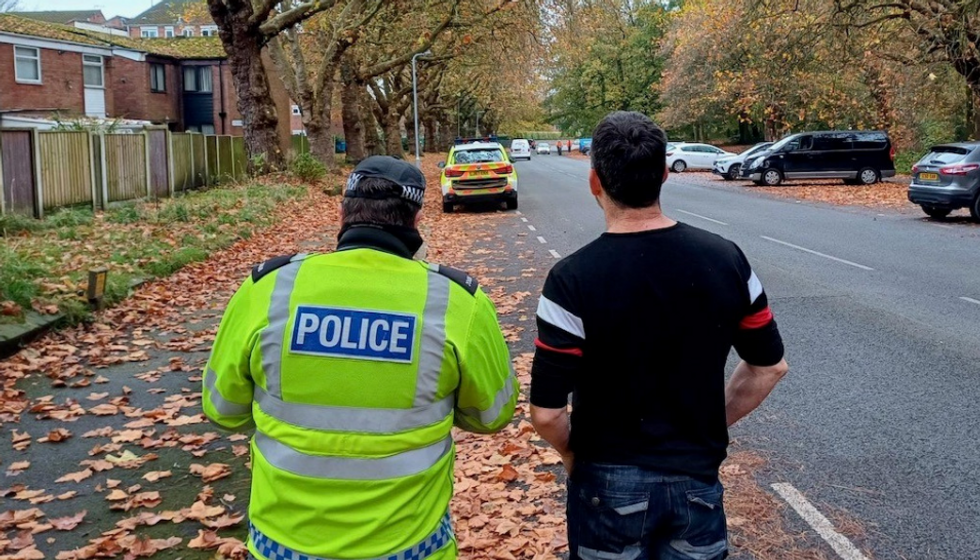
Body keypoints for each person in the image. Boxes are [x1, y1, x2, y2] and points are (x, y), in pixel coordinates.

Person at [203, 156, 518, 560]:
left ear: (342, 212)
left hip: (282, 542)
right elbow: (492, 415)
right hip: (410, 544)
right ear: (416, 219)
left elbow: (223, 409)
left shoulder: (268, 288)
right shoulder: (456, 301)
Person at [529, 111, 788, 560]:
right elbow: (769, 366)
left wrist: (574, 456)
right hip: (696, 480)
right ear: (664, 175)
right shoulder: (727, 260)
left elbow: (547, 415)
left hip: (606, 479)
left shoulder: (571, 280)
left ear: (595, 181)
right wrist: (707, 424)